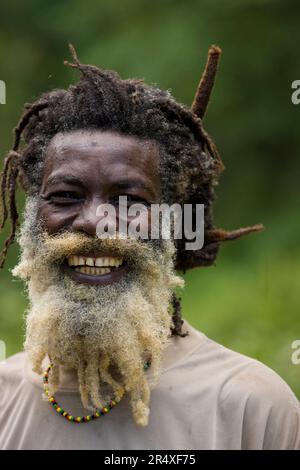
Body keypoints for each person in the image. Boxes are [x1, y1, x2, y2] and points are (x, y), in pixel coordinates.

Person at [0, 45, 299, 450]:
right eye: (66, 195)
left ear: (175, 224)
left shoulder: (248, 404)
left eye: (130, 201)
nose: (93, 222)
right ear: (34, 218)